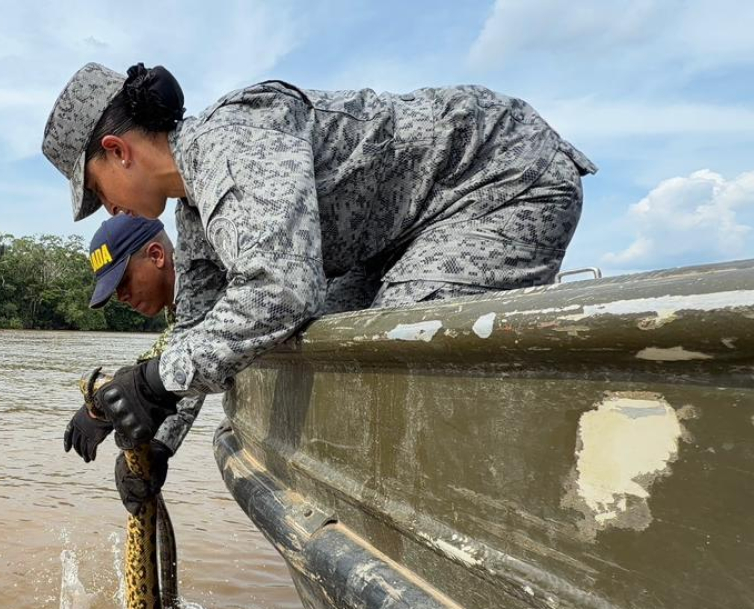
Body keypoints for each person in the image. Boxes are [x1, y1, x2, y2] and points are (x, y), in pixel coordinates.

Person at [42, 62, 595, 497]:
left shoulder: (231, 143)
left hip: (497, 178)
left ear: (117, 151)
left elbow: (281, 292)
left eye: (97, 191)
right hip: (392, 237)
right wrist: (158, 441)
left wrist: (153, 382)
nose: (107, 208)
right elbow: (199, 327)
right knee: (312, 351)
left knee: (390, 360)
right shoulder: (194, 209)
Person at [62, 213, 203, 512]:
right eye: (115, 290)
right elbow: (185, 370)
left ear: (156, 255)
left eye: (123, 281)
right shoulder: (179, 306)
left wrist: (131, 397)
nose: (121, 297)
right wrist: (104, 411)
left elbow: (200, 355)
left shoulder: (205, 276)